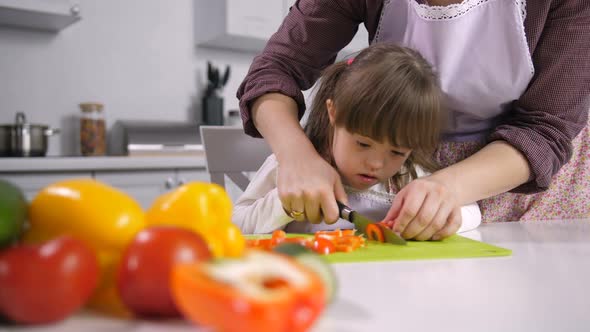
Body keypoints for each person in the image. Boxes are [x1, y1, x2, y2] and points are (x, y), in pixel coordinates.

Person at [237, 0, 590, 240]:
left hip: (520, 180)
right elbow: (276, 68)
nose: (376, 162)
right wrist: (297, 156)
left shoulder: (408, 170)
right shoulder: (392, 165)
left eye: (390, 151)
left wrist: (448, 191)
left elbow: (545, 128)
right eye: (363, 143)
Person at [233, 43, 481, 237]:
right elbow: (235, 224)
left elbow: (473, 212)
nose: (375, 163)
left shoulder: (409, 175)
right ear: (334, 113)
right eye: (363, 144)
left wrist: (437, 219)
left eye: (397, 152)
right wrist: (283, 205)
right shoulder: (290, 168)